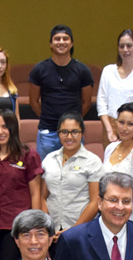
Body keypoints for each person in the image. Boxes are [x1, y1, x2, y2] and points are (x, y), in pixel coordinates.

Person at [0, 111, 42, 260]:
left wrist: (35, 224)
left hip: (17, 224)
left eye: (5, 127)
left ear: (13, 128)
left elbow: (35, 192)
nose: (0, 132)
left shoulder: (28, 155)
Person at [29, 25, 94, 161]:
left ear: (71, 44)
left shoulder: (83, 71)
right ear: (51, 44)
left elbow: (86, 102)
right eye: (57, 39)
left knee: (75, 173)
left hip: (74, 133)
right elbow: (34, 101)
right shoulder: (39, 70)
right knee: (45, 174)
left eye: (65, 38)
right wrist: (47, 117)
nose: (61, 42)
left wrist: (73, 122)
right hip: (48, 133)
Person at [40, 112, 103, 252]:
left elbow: (95, 202)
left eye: (74, 132)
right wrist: (47, 226)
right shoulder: (49, 159)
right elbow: (43, 197)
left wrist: (73, 230)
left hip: (82, 232)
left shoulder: (93, 162)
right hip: (54, 233)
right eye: (64, 132)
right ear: (58, 133)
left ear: (82, 133)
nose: (69, 137)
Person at [97, 29, 133, 144]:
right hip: (111, 127)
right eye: (122, 46)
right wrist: (109, 130)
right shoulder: (108, 71)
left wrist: (131, 125)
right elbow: (101, 103)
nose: (125, 50)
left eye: (129, 46)